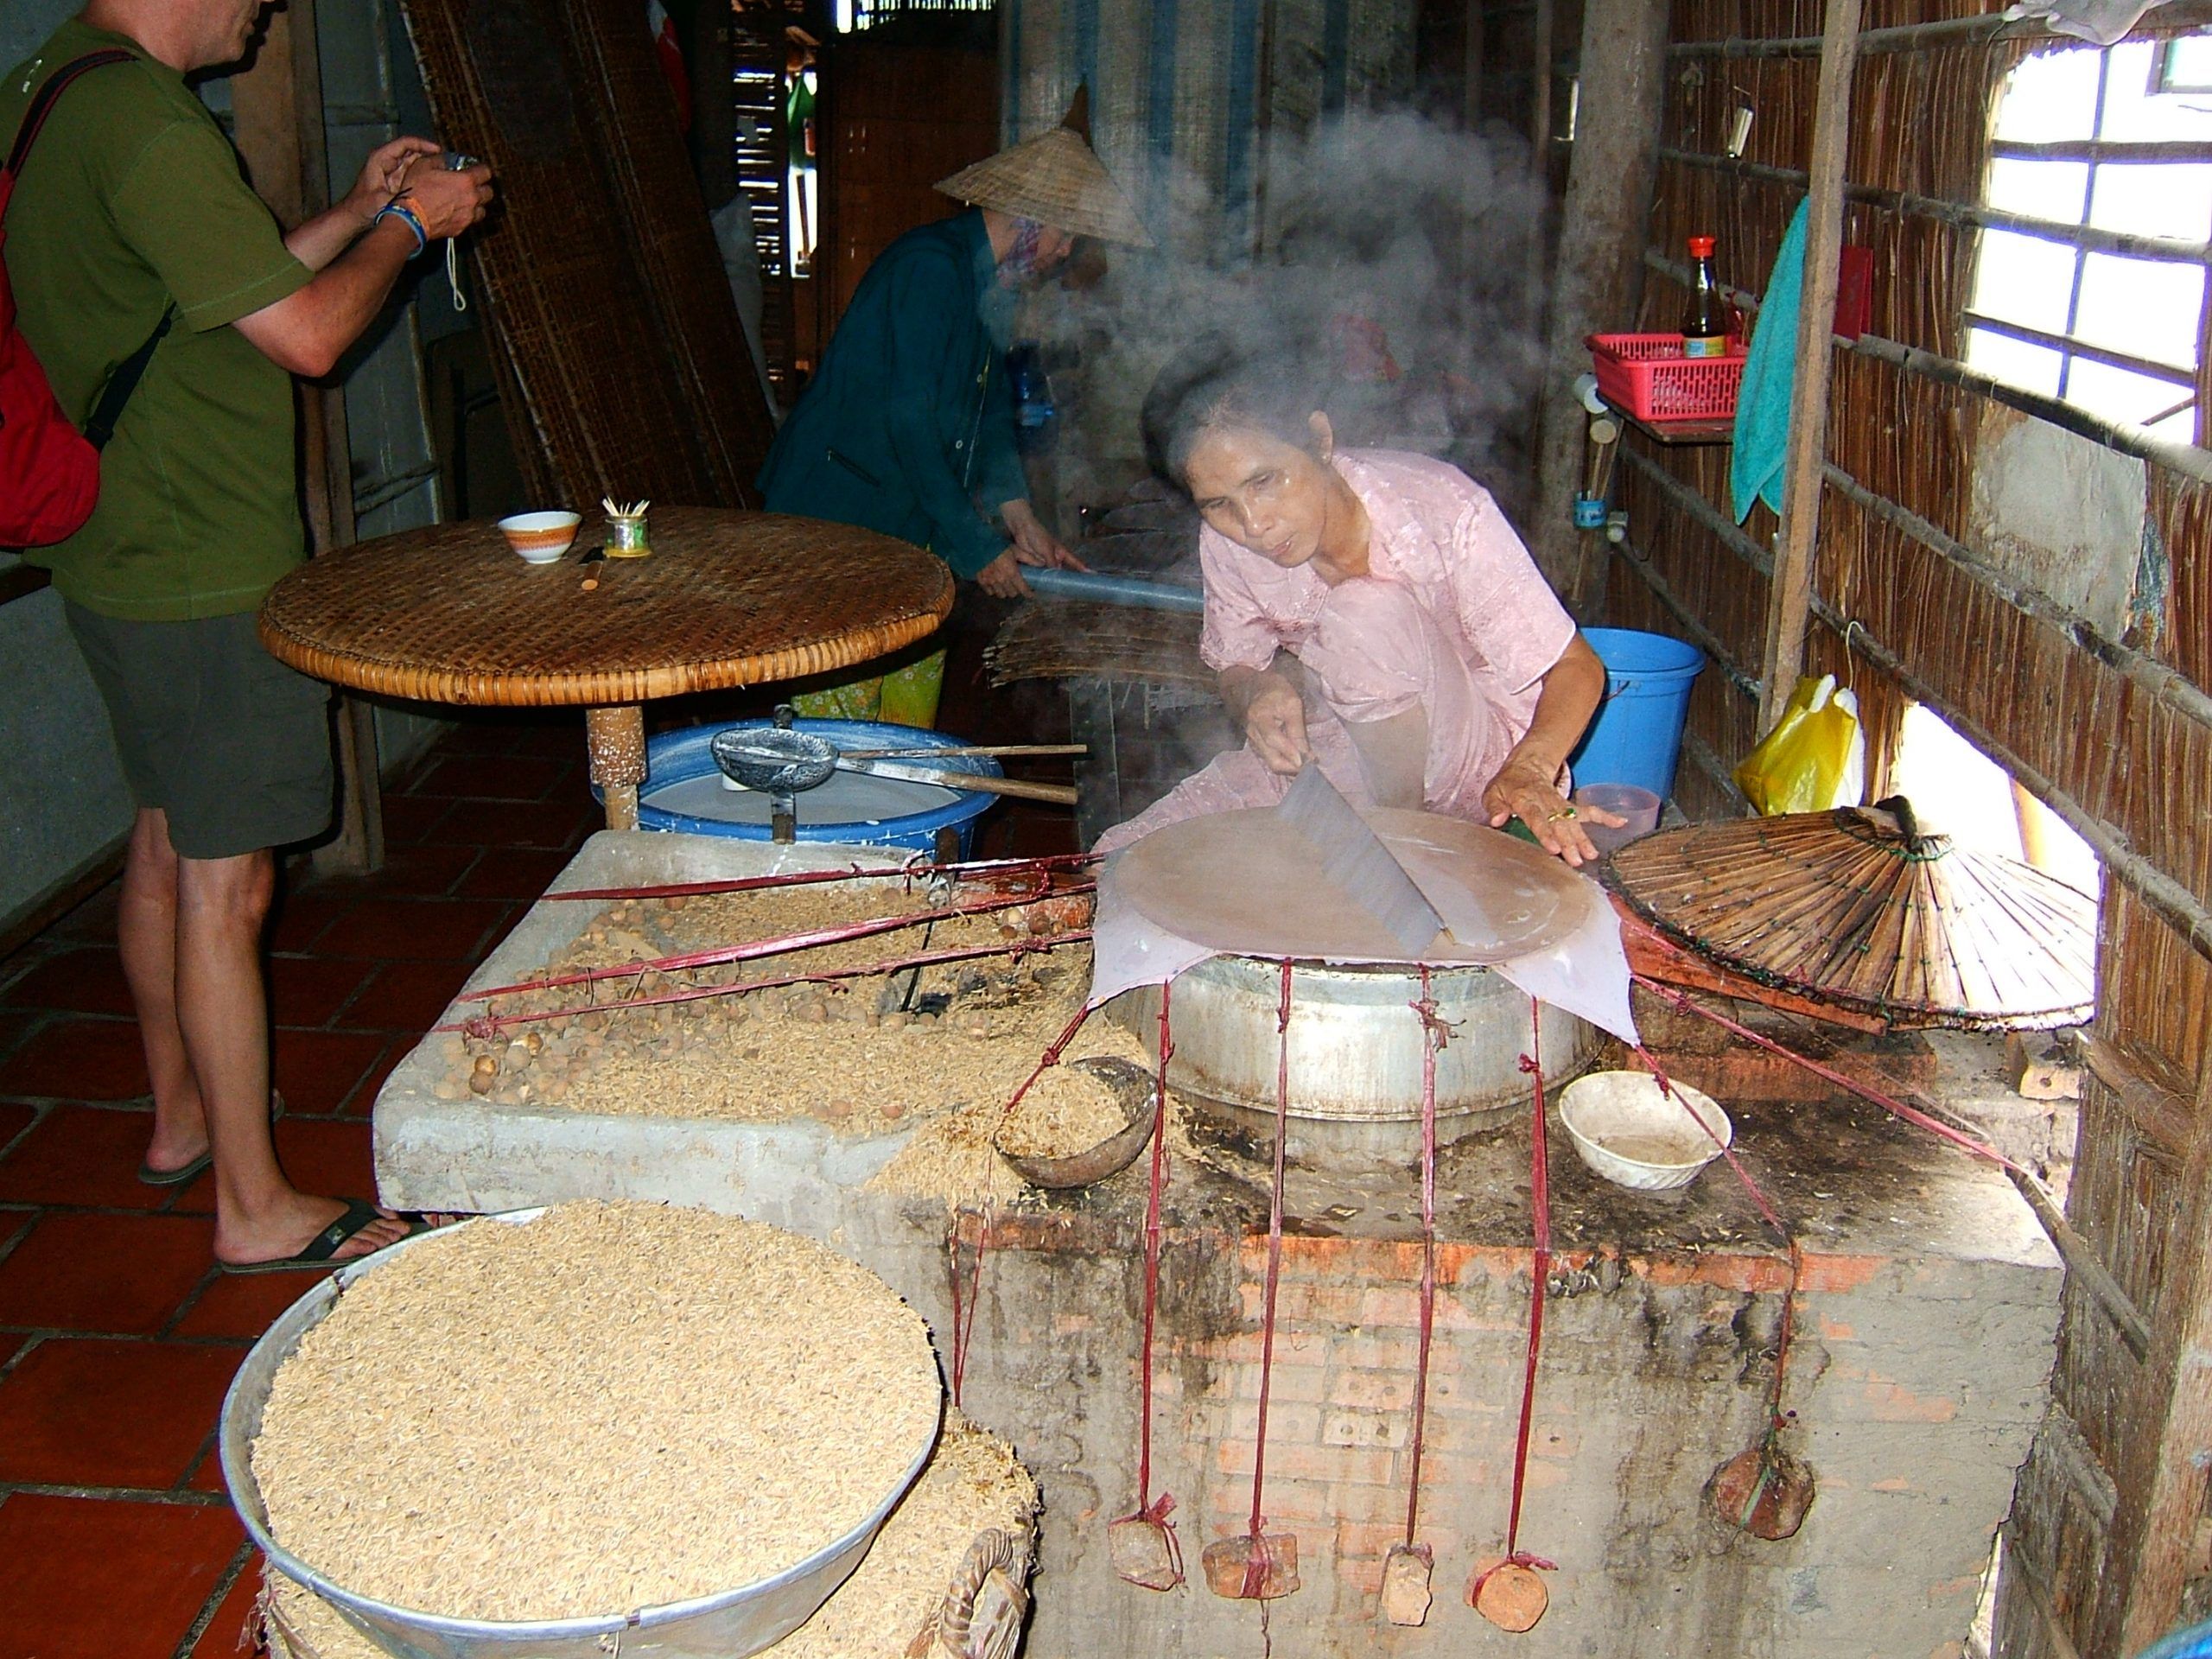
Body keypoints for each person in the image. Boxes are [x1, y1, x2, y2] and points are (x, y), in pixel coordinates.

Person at [3, 0, 492, 1270]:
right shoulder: (150, 121)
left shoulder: (60, 81)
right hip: (203, 560)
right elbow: (314, 336)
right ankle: (252, 1204)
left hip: (116, 546)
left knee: (166, 844)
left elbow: (212, 288)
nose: (266, 6)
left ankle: (180, 1123)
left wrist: (349, 209)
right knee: (232, 886)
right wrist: (408, 226)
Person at [1095, 349, 1620, 866]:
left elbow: (1577, 667)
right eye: (1218, 504)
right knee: (1126, 859)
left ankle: (1403, 851)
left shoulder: (1443, 509)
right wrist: (1256, 690)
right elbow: (1237, 664)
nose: (1254, 525)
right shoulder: (1228, 541)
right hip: (1352, 752)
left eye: (1265, 481)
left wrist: (1530, 768)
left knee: (1363, 614)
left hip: (1484, 778)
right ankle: (1374, 852)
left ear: (1319, 440)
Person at [756, 96, 1150, 725]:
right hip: (837, 516)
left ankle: (893, 812)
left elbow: (989, 413)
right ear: (1029, 220)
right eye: (1064, 233)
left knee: (903, 709)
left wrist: (1021, 520)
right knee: (838, 719)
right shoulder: (928, 270)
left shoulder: (988, 285)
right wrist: (975, 549)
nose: (1065, 252)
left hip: (905, 523)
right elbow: (908, 422)